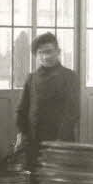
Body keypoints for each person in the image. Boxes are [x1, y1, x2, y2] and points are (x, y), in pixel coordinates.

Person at [14, 32, 79, 164]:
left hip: (60, 140)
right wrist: (21, 134)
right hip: (34, 140)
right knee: (34, 179)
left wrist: (61, 139)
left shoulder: (70, 76)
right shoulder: (31, 78)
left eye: (49, 51)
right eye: (41, 53)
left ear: (58, 51)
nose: (46, 56)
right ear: (36, 56)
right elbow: (22, 109)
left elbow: (72, 111)